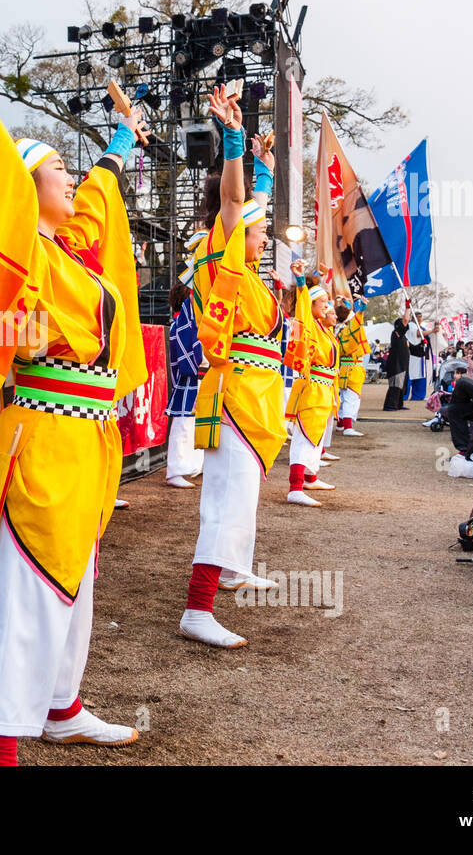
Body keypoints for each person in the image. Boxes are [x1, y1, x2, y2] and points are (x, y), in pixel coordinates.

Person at [0, 10, 149, 764]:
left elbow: (104, 189)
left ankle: (63, 707)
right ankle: (0, 750)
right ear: (25, 188)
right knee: (20, 606)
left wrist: (121, 138)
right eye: (58, 173)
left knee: (72, 588)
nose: (72, 180)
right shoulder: (25, 254)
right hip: (41, 439)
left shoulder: (72, 255)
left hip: (86, 442)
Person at [180, 95, 288, 648]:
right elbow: (233, 198)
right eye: (257, 230)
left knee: (242, 498)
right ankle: (197, 609)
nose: (264, 235)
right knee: (226, 502)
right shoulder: (221, 255)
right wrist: (236, 142)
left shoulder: (246, 267)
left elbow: (251, 205)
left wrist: (265, 164)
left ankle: (232, 571)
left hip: (257, 395)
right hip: (234, 395)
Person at [285, 278, 338, 507]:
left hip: (324, 389)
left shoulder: (323, 328)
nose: (327, 306)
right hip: (313, 388)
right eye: (323, 302)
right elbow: (303, 309)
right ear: (310, 304)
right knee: (304, 438)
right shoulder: (308, 325)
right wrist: (300, 283)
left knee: (315, 438)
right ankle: (294, 487)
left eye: (328, 301)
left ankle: (310, 478)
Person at [165, 276, 204, 488]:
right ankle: (176, 470)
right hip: (189, 376)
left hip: (197, 374)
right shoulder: (180, 324)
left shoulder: (185, 322)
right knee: (183, 422)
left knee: (194, 422)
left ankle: (192, 465)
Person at [335, 297, 371, 435]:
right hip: (353, 368)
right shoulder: (348, 330)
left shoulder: (338, 329)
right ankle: (348, 427)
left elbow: (351, 319)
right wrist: (360, 311)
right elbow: (355, 322)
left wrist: (348, 306)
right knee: (351, 398)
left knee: (344, 398)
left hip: (343, 367)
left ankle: (340, 424)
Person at [382, 301, 412, 410]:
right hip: (396, 363)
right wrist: (407, 308)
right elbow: (405, 320)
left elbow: (411, 348)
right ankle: (390, 405)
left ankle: (398, 404)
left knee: (402, 384)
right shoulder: (396, 333)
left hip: (403, 363)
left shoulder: (403, 337)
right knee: (395, 383)